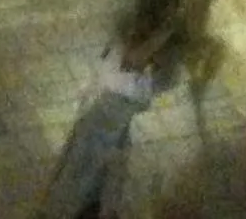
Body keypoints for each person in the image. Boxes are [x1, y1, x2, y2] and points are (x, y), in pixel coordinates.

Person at [38, 49, 159, 219]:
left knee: (82, 179)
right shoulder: (124, 86)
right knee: (83, 180)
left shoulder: (119, 81)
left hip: (103, 132)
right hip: (101, 134)